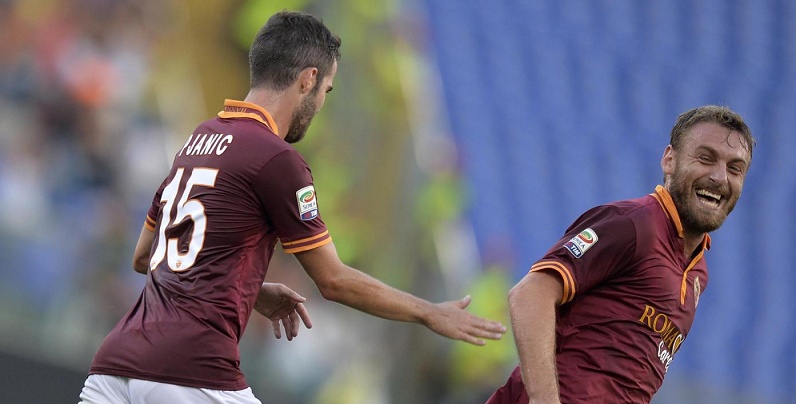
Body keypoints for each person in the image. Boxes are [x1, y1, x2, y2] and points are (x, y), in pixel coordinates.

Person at [79, 10, 506, 403]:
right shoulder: (276, 159)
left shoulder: (198, 140)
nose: (321, 104)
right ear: (308, 79)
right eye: (326, 90)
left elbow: (144, 257)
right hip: (190, 372)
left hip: (115, 368)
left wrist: (249, 290)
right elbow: (333, 281)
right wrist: (430, 313)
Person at [487, 105, 755, 403]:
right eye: (705, 158)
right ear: (669, 160)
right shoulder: (634, 224)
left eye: (735, 168)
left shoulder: (698, 274)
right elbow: (530, 294)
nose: (720, 177)